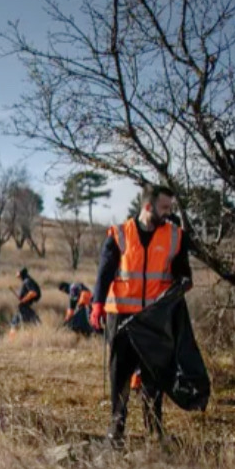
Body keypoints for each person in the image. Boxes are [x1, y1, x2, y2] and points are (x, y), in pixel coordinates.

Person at [90, 184, 193, 448]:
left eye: (170, 208)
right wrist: (97, 305)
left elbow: (184, 274)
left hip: (154, 322)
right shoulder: (120, 234)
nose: (169, 213)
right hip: (122, 318)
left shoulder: (175, 236)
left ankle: (154, 432)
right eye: (164, 208)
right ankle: (116, 431)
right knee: (120, 376)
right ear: (148, 207)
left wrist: (182, 285)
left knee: (154, 378)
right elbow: (104, 272)